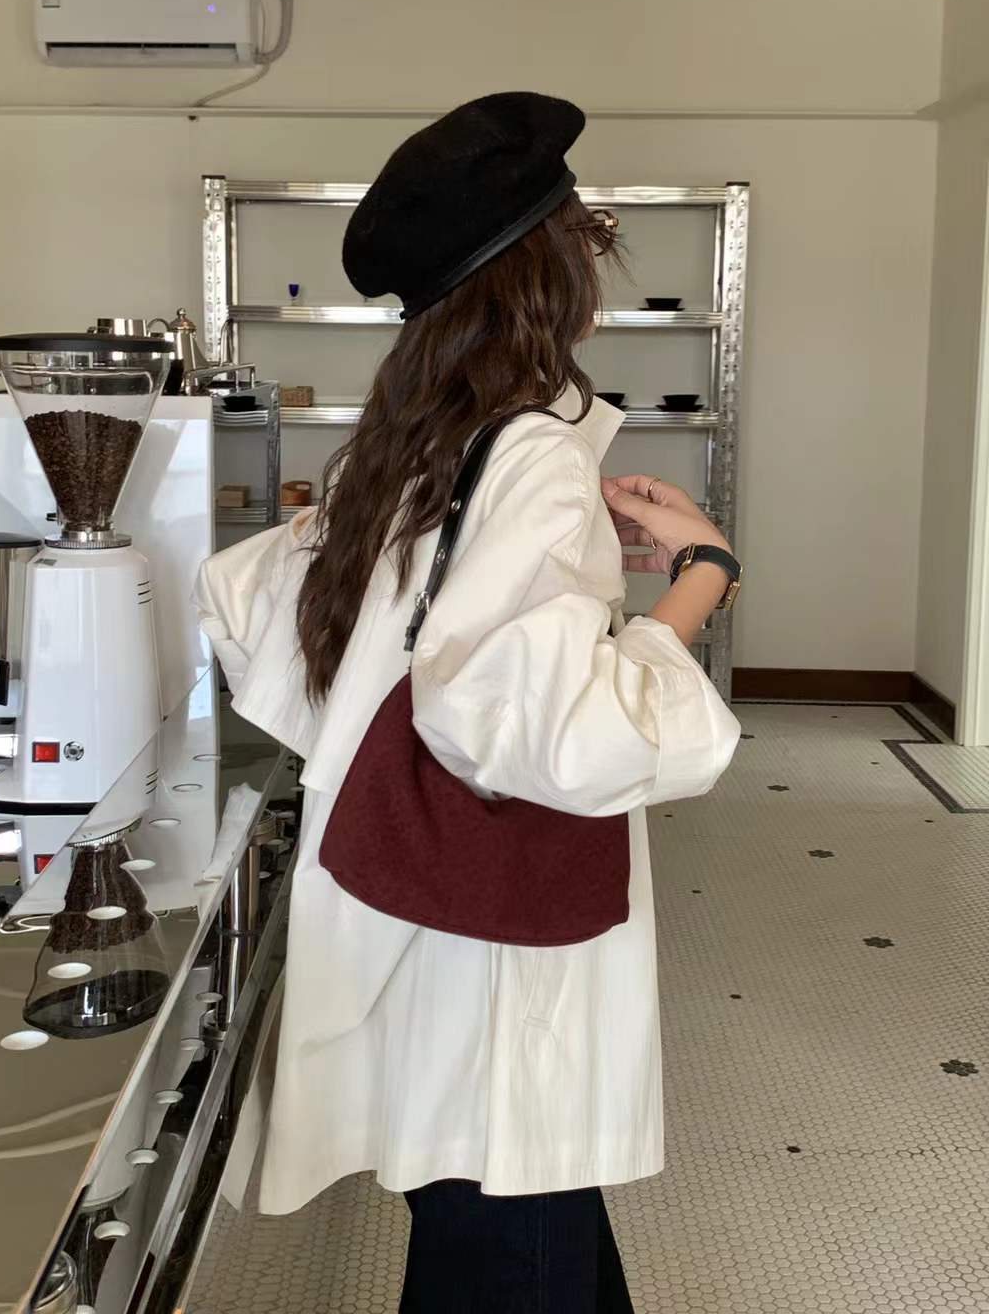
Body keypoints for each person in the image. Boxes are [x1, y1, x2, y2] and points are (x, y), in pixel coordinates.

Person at [195, 91, 742, 1313]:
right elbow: (561, 736)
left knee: (506, 1226)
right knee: (516, 1223)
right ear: (549, 274)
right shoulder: (535, 452)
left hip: (409, 915)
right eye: (587, 241)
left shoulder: (410, 437)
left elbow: (251, 600)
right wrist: (699, 579)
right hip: (501, 958)